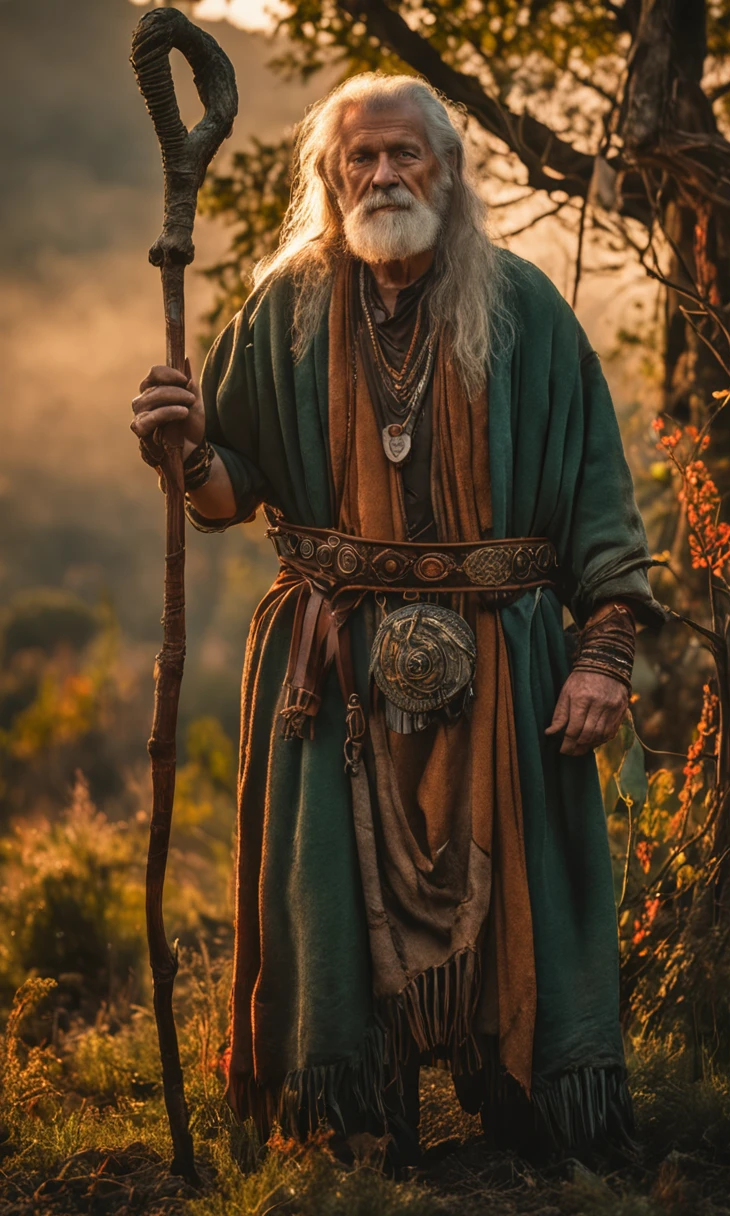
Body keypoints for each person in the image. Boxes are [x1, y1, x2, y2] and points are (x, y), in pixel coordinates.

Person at [131, 73, 664, 1167]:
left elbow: (600, 505)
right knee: (337, 890)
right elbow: (231, 491)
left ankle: (526, 1103)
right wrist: (180, 448)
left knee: (516, 888)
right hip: (332, 663)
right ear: (330, 179)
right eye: (357, 159)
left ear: (448, 171)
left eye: (402, 155)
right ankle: (351, 1120)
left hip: (505, 654)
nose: (380, 175)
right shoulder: (280, 311)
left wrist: (602, 655)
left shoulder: (527, 313)